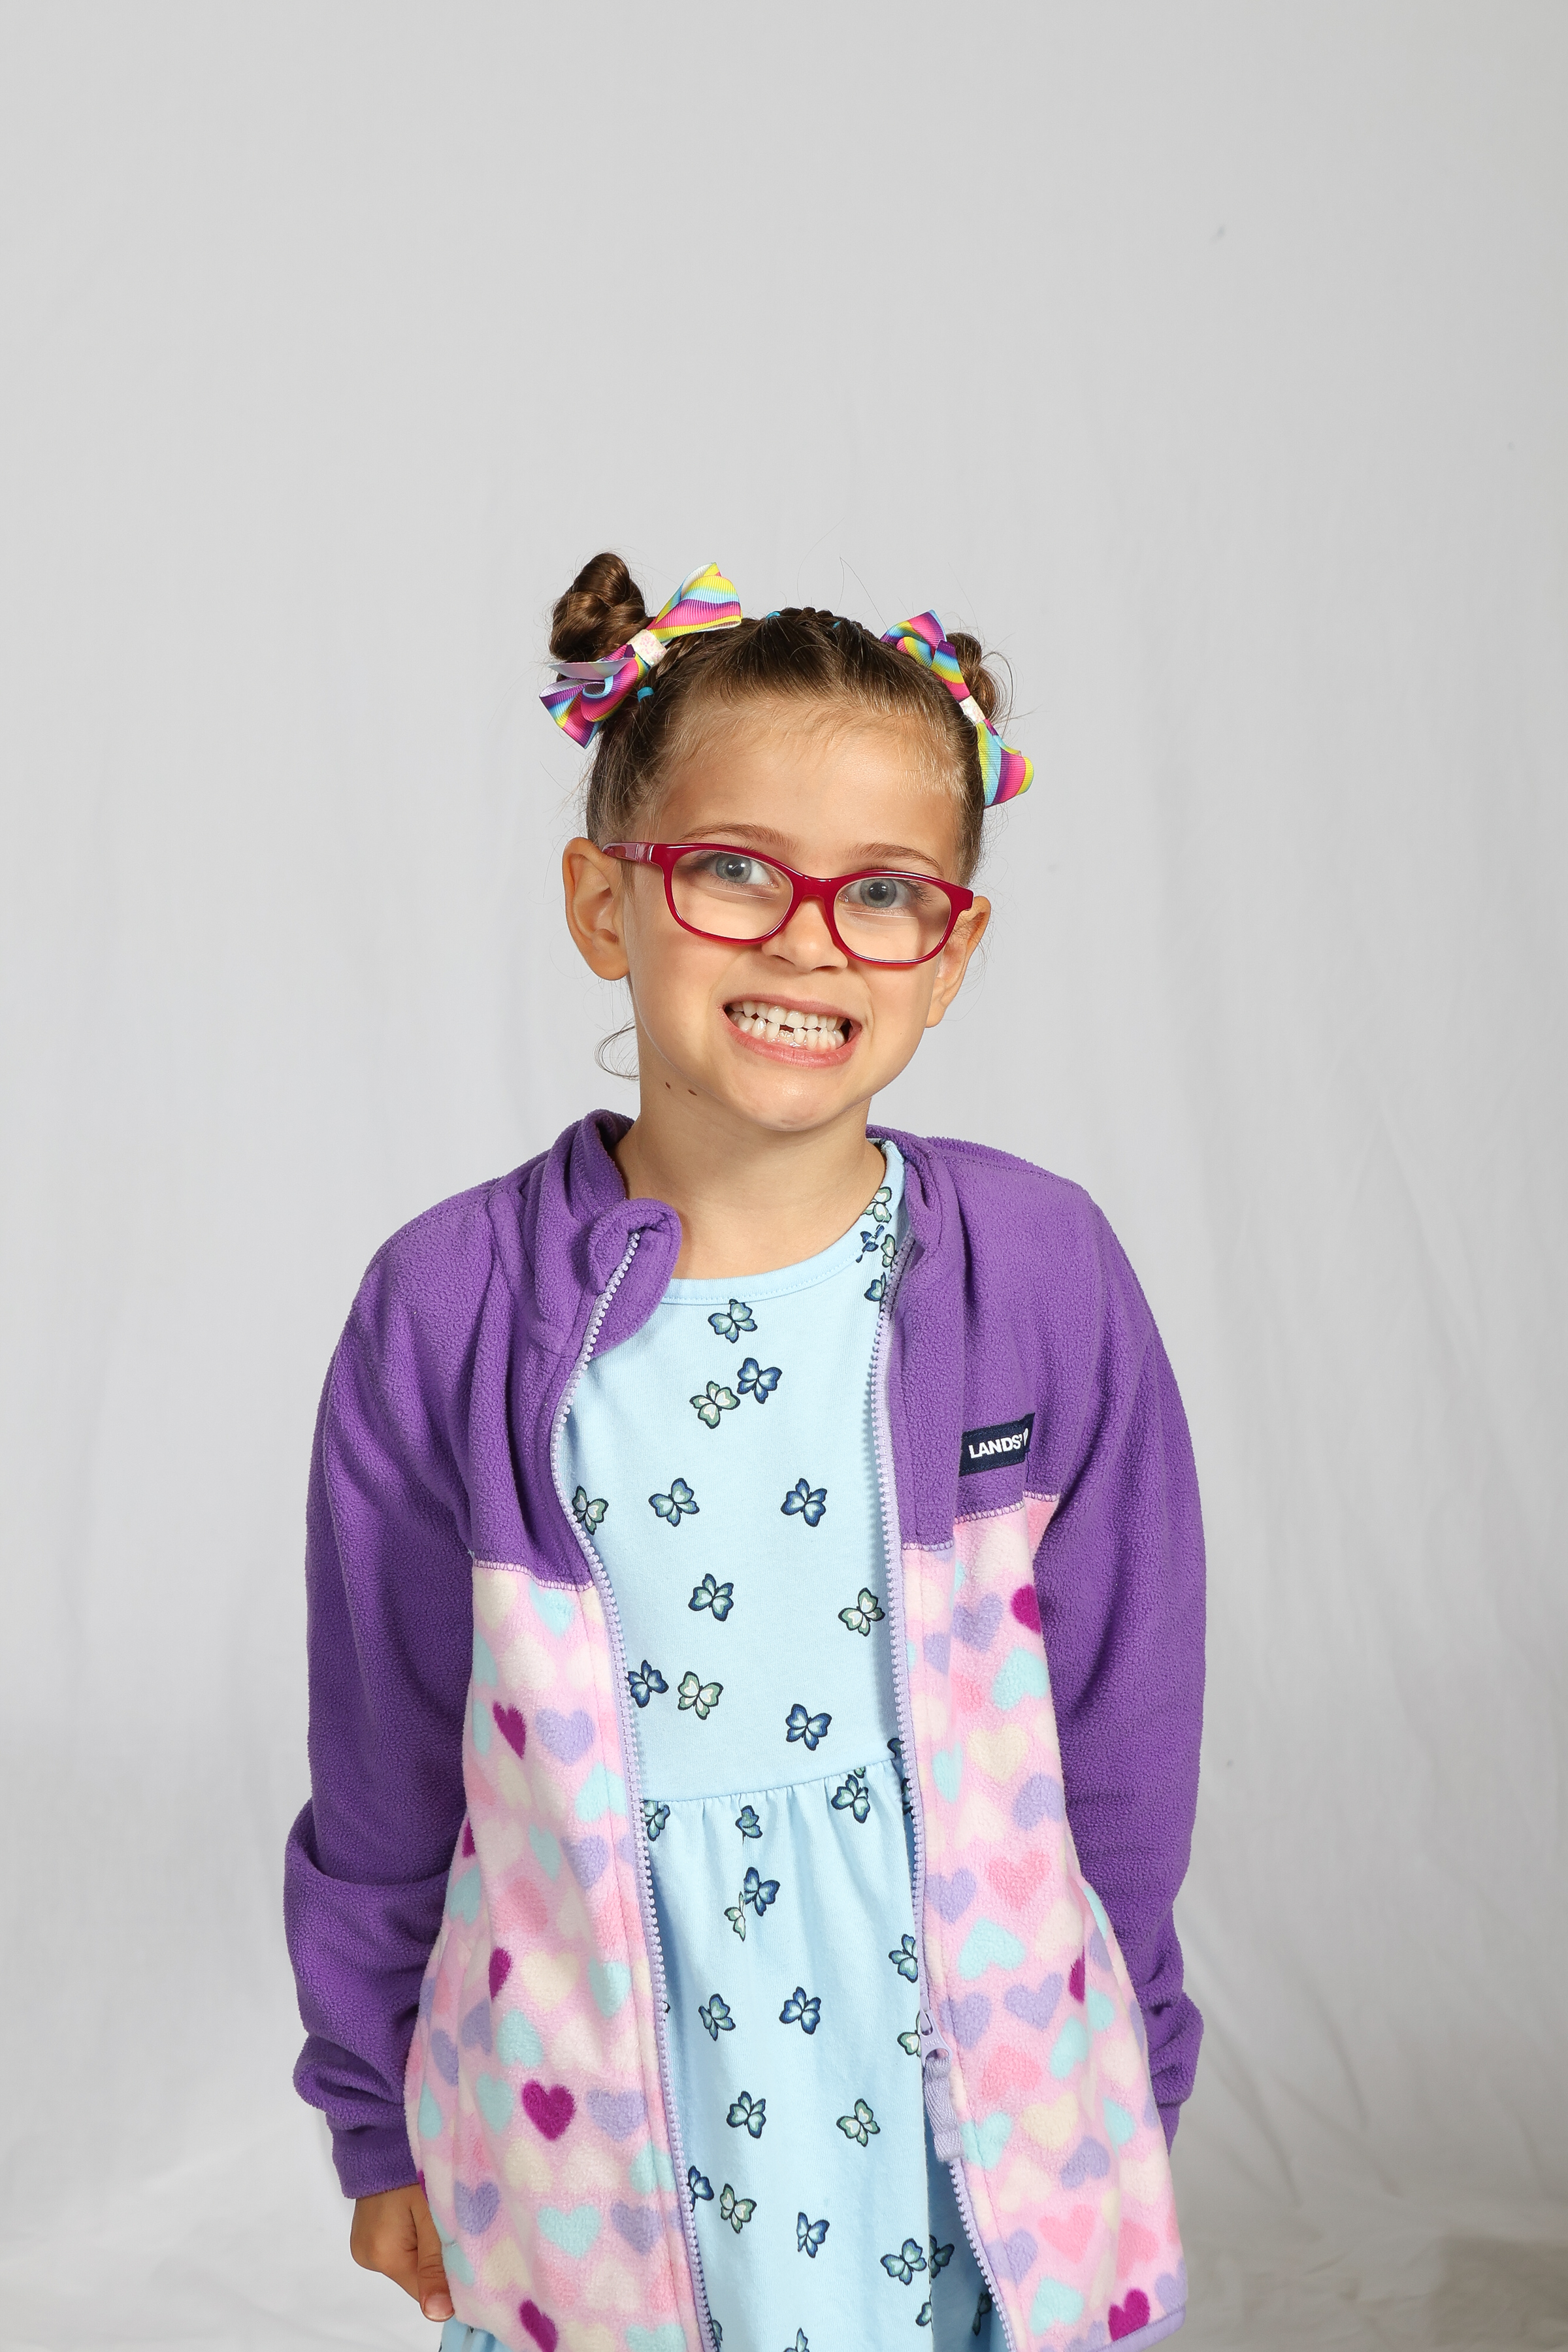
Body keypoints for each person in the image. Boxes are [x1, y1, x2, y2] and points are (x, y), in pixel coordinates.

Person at [284, 557, 1205, 2352]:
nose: (806, 940)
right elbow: (382, 1754)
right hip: (590, 2084)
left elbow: (1127, 1726)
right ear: (603, 901)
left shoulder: (1040, 1271)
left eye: (885, 891)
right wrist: (371, 2108)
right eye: (733, 869)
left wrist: (1128, 2061)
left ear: (953, 952)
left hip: (961, 2082)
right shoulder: (448, 1304)